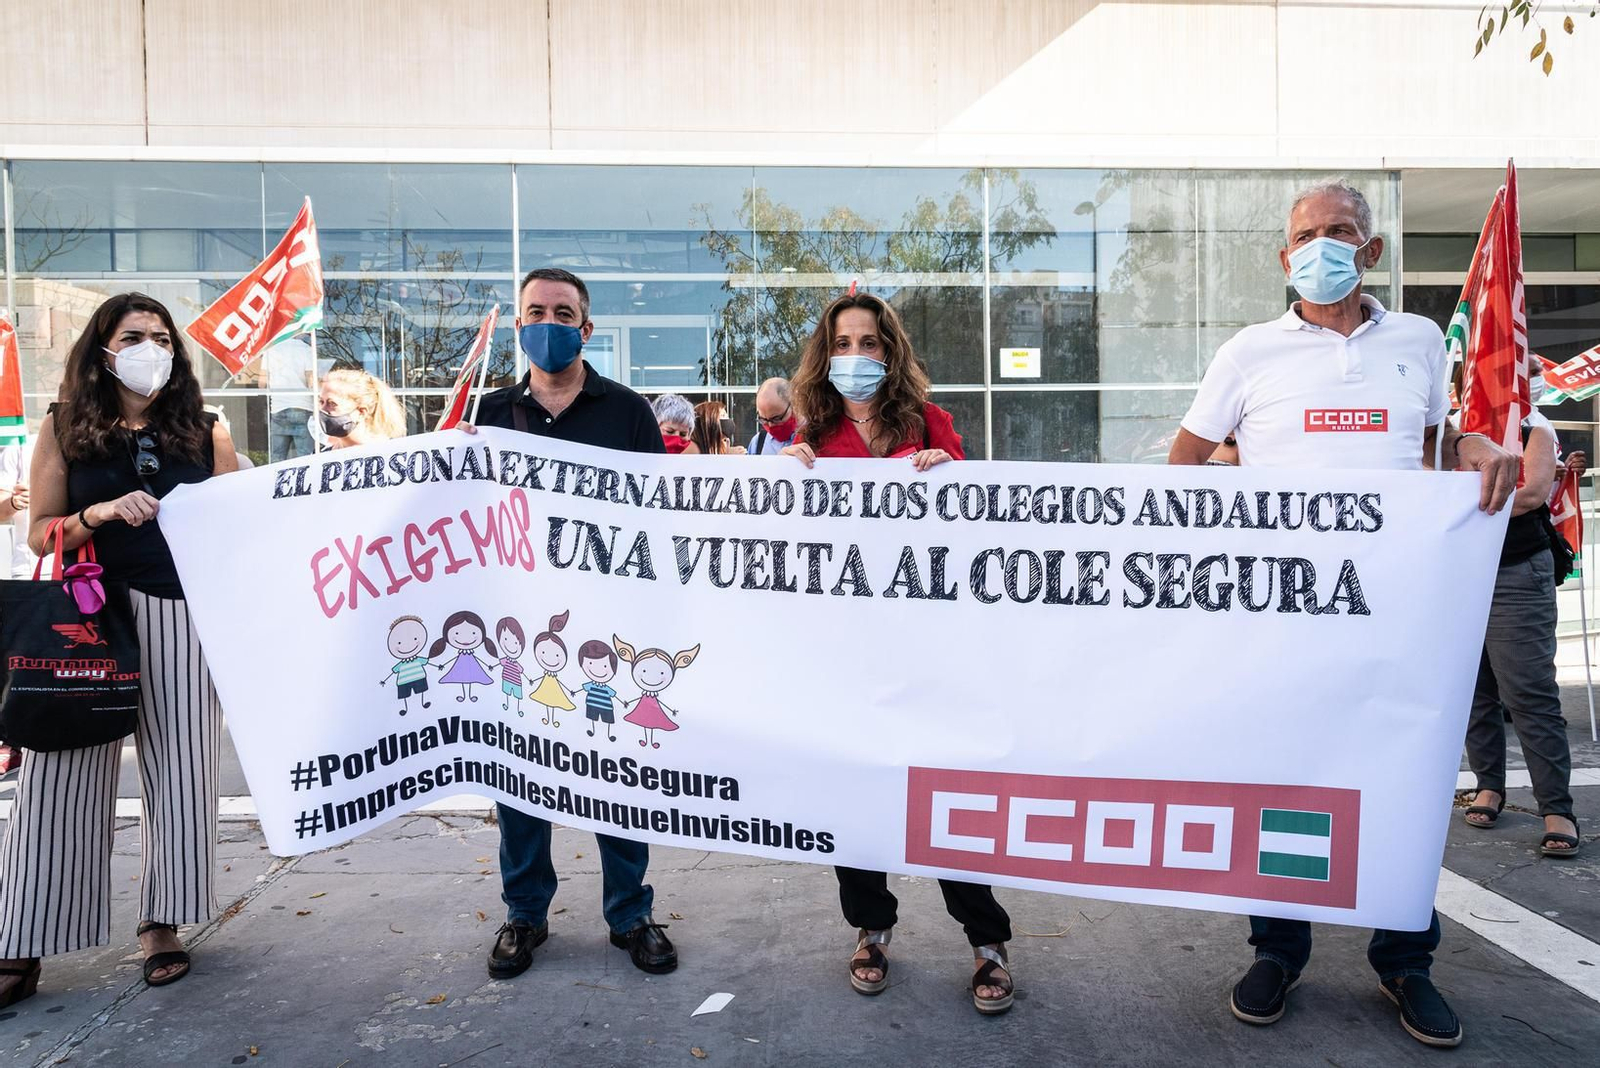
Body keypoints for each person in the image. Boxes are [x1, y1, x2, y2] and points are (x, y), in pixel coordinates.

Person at [1168, 179, 1518, 1049]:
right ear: (1286, 256)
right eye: (1305, 234)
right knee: (1284, 786)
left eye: (1340, 231)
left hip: (1399, 620)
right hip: (1285, 626)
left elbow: (1437, 449)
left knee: (1403, 781)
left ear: (1370, 249)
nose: (1321, 245)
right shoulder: (1250, 352)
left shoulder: (1419, 342)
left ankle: (1406, 958)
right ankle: (1279, 949)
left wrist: (1476, 447)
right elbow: (1182, 468)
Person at [0, 291, 240, 1008]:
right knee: (58, 777)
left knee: (182, 772)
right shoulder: (64, 428)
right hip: (86, 618)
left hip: (179, 614)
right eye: (135, 335)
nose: (151, 348)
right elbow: (39, 532)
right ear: (103, 350)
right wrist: (94, 514)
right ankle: (24, 934)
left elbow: (240, 527)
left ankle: (160, 921)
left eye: (162, 337)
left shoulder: (206, 430)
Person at [781, 291, 1015, 1016]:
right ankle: (871, 926)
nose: (857, 356)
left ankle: (987, 942)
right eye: (843, 343)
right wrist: (782, 479)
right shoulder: (808, 434)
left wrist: (951, 470)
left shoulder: (927, 423)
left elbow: (972, 525)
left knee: (941, 798)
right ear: (828, 355)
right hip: (844, 656)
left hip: (925, 652)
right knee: (855, 802)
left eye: (869, 343)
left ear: (890, 351)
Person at [459, 267, 677, 979]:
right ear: (519, 325)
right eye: (534, 311)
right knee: (520, 778)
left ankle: (631, 914)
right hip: (516, 629)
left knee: (616, 773)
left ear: (586, 328)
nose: (546, 322)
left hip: (607, 626)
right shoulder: (486, 415)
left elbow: (658, 516)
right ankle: (525, 915)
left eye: (562, 312)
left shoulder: (628, 411)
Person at [1461, 373, 1579, 858]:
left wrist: (1449, 506)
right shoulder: (1453, 429)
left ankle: (1557, 808)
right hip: (1460, 574)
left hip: (1515, 573)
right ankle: (1489, 786)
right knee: (1474, 691)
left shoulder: (1537, 430)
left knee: (1528, 693)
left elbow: (1529, 494)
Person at [318, 368, 406, 449]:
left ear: (361, 412)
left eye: (332, 403)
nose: (323, 409)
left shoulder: (389, 454)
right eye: (321, 402)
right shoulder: (320, 458)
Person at [261, 337, 316, 463]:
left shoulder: (271, 351)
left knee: (277, 458)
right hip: (302, 406)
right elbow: (311, 381)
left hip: (278, 407)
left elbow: (262, 383)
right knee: (306, 457)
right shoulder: (306, 349)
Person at [747, 377, 799, 455]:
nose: (771, 426)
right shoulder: (758, 443)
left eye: (776, 419)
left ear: (794, 405)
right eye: (763, 420)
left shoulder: (815, 438)